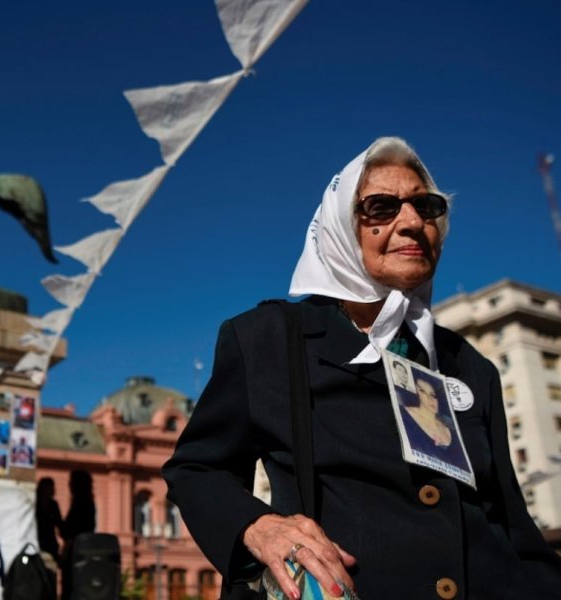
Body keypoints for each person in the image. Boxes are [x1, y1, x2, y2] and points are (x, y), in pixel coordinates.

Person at [162, 137, 561, 599]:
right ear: (339, 228)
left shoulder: (470, 366)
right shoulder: (268, 339)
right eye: (381, 207)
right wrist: (259, 527)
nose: (412, 222)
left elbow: (514, 529)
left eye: (426, 207)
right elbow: (196, 469)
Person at [399, 373, 468, 471]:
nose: (430, 399)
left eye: (433, 395)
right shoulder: (405, 415)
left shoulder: (451, 428)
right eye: (422, 391)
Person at [59, 470, 96, 600]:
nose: (69, 485)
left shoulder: (79, 503)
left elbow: (67, 530)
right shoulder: (89, 503)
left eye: (71, 482)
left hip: (74, 555)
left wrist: (56, 518)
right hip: (85, 553)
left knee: (70, 590)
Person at [36, 477, 63, 564]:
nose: (52, 490)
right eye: (49, 488)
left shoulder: (53, 505)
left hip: (50, 545)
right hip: (37, 542)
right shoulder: (35, 505)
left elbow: (59, 524)